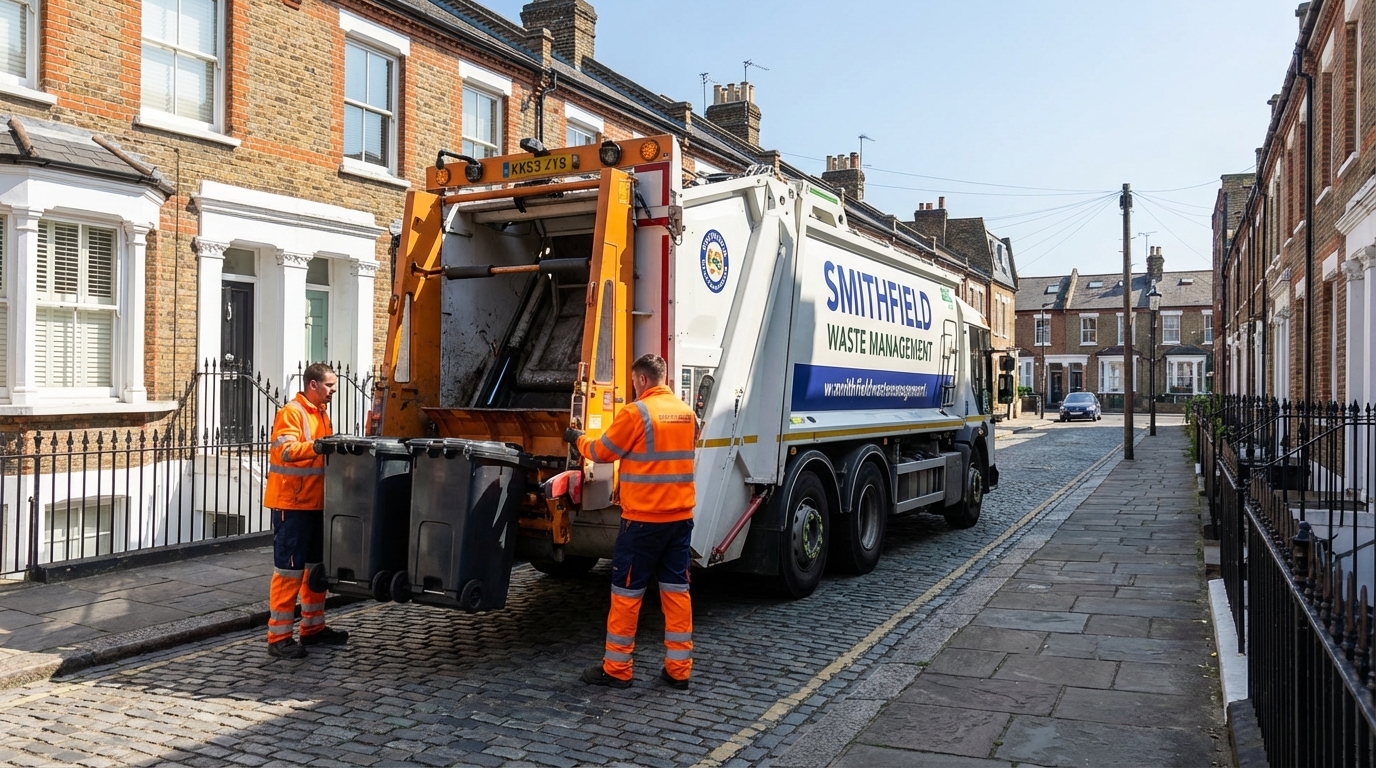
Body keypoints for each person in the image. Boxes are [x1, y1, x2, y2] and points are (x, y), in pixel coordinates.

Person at [564, 353, 698, 689]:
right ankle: (679, 671)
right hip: (680, 520)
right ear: (663, 377)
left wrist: (575, 439)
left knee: (627, 594)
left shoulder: (636, 413)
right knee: (676, 592)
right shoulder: (687, 414)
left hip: (642, 522)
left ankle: (617, 670)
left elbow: (602, 452)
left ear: (640, 380)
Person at [264, 363, 349, 659]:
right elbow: (285, 451)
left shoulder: (320, 414)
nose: (333, 391)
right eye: (329, 386)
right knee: (288, 572)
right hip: (292, 505)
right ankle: (279, 637)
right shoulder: (292, 412)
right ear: (313, 385)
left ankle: (312, 630)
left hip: (315, 504)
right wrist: (318, 446)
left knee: (315, 572)